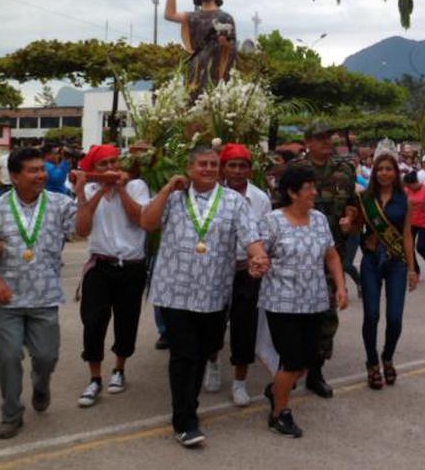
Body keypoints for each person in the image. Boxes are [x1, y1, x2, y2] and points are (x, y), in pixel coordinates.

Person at [140, 147, 268, 449]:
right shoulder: (173, 197)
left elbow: (250, 237)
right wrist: (168, 188)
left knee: (204, 350)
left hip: (213, 293)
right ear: (190, 166)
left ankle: (188, 407)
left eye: (213, 164)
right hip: (175, 290)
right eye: (202, 164)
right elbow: (147, 222)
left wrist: (259, 257)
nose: (208, 169)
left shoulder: (234, 202)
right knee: (183, 355)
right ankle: (184, 420)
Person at [0, 147, 79, 440]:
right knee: (7, 357)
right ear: (14, 176)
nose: (41, 175)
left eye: (42, 169)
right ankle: (11, 413)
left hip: (44, 296)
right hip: (6, 297)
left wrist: (86, 192)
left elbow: (82, 228)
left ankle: (41, 383)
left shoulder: (61, 204)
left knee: (46, 356)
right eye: (33, 170)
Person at [259, 165, 349, 437]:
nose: (314, 192)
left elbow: (331, 255)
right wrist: (257, 263)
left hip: (314, 301)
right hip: (282, 302)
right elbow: (258, 253)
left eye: (313, 186)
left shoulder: (319, 219)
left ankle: (277, 389)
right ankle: (279, 415)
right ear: (291, 192)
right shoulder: (272, 221)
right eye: (308, 187)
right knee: (293, 361)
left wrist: (341, 286)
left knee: (310, 359)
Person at [72, 145, 151, 408]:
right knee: (93, 321)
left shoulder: (137, 185)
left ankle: (119, 369)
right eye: (103, 164)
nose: (109, 168)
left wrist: (120, 189)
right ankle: (94, 378)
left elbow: (140, 219)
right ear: (94, 169)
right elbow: (82, 229)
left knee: (127, 320)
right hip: (100, 265)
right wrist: (97, 191)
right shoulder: (90, 189)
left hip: (131, 265)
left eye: (113, 162)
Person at [290, 120, 356, 398]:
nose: (327, 141)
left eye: (330, 136)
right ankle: (291, 368)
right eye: (320, 137)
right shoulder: (295, 171)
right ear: (307, 141)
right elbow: (281, 208)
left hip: (332, 254)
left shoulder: (345, 169)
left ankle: (315, 372)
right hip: (299, 255)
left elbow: (353, 202)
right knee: (294, 314)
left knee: (326, 316)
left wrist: (350, 218)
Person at [343, 151, 418, 390]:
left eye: (389, 169)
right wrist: (348, 224)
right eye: (380, 169)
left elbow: (407, 235)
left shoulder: (404, 199)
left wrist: (412, 268)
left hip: (397, 263)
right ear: (374, 173)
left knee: (395, 318)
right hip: (371, 261)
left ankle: (387, 356)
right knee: (372, 315)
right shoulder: (365, 198)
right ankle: (372, 362)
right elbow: (355, 229)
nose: (384, 173)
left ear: (396, 172)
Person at [205, 143, 273, 406]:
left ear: (250, 170)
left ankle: (239, 381)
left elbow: (265, 234)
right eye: (231, 165)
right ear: (223, 169)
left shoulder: (260, 198)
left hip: (247, 272)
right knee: (213, 322)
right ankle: (212, 365)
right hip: (216, 271)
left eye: (242, 166)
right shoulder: (212, 196)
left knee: (245, 326)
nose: (236, 171)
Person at [164, 0, 237, 90]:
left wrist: (225, 44)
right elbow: (169, 14)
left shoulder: (225, 18)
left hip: (216, 71)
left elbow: (232, 51)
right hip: (196, 70)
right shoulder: (192, 17)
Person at [404, 171, 425, 278]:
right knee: (409, 247)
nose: (408, 187)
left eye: (408, 185)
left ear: (414, 182)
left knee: (420, 247)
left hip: (424, 222)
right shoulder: (407, 191)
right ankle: (416, 271)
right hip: (411, 222)